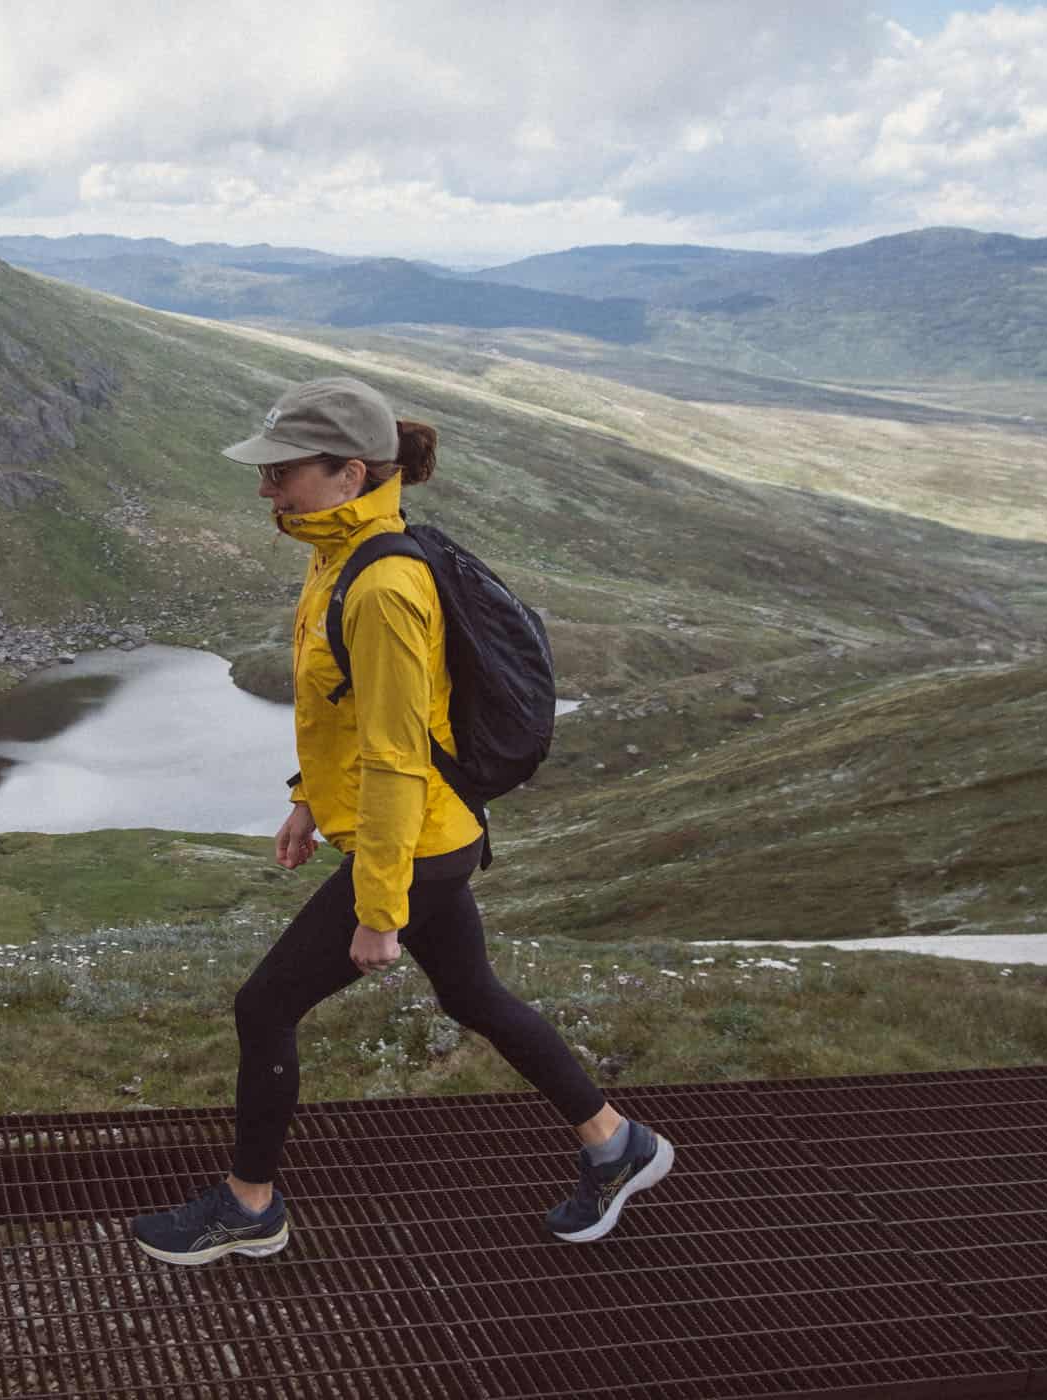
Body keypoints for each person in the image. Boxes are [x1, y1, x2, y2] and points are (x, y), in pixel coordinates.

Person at [131, 376, 673, 1266]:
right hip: (435, 835)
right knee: (472, 996)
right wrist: (309, 796)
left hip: (416, 846)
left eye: (282, 473)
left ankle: (250, 1207)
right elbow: (343, 712)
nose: (265, 488)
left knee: (264, 1005)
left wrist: (381, 909)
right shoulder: (338, 551)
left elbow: (395, 757)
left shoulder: (382, 584)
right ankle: (618, 1145)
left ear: (349, 474)